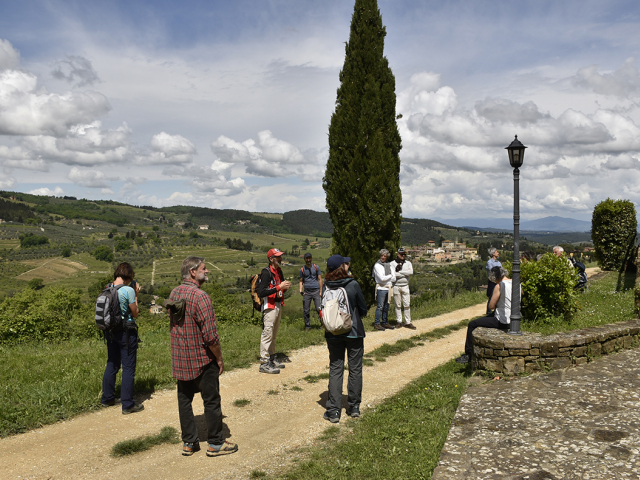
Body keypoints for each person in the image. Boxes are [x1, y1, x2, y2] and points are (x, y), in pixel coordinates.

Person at [167, 256, 238, 457]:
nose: (207, 271)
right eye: (204, 268)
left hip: (182, 359)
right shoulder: (201, 297)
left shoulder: (174, 293)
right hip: (202, 359)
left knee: (184, 401)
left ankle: (189, 443)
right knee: (212, 400)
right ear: (192, 272)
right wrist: (219, 358)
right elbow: (210, 336)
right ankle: (215, 443)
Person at [322, 254, 368, 423]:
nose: (348, 265)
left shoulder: (326, 286)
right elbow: (363, 308)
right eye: (346, 264)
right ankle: (354, 407)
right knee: (355, 368)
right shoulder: (353, 284)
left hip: (332, 333)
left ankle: (333, 410)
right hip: (353, 331)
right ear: (342, 267)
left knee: (336, 368)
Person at [101, 262, 144, 414]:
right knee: (128, 368)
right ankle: (128, 404)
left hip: (110, 331)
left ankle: (107, 398)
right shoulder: (128, 290)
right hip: (126, 332)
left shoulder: (107, 288)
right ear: (129, 275)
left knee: (112, 363)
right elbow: (135, 313)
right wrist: (136, 294)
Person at [456, 266, 516, 364]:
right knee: (487, 318)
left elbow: (491, 306)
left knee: (472, 324)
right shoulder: (516, 283)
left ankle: (468, 355)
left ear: (495, 277)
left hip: (501, 320)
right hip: (513, 319)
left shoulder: (499, 286)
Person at [257, 248, 292, 374]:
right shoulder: (266, 272)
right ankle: (264, 362)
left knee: (274, 334)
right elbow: (261, 292)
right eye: (278, 257)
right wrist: (279, 287)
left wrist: (284, 288)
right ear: (271, 259)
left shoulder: (278, 271)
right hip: (269, 306)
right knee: (267, 333)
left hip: (277, 304)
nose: (280, 259)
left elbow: (279, 288)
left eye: (280, 256)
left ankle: (271, 358)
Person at [390, 247, 415, 329]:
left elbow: (411, 272)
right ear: (398, 254)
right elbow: (393, 275)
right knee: (398, 305)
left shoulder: (408, 263)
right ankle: (399, 321)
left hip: (405, 286)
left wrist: (400, 272)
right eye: (401, 254)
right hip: (396, 286)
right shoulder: (392, 263)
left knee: (407, 304)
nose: (403, 255)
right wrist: (405, 273)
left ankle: (408, 322)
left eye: (404, 254)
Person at [372, 248, 396, 331]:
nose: (383, 257)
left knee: (386, 306)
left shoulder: (389, 265)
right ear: (380, 256)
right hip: (381, 288)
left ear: (387, 257)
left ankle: (385, 322)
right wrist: (390, 276)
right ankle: (377, 323)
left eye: (385, 256)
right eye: (382, 255)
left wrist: (390, 277)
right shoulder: (377, 265)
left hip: (388, 288)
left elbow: (394, 278)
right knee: (380, 307)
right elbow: (381, 279)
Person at [299, 252, 323, 332]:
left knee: (318, 308)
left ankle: (323, 324)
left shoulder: (316, 267)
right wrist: (300, 290)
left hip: (316, 290)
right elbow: (301, 281)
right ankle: (307, 326)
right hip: (307, 292)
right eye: (307, 258)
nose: (308, 260)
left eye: (309, 258)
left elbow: (320, 279)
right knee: (306, 310)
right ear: (304, 259)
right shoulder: (302, 269)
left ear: (311, 258)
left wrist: (320, 291)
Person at [485, 248, 502, 314]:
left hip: (498, 282)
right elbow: (492, 271)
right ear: (493, 254)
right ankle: (488, 313)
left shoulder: (499, 262)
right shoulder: (489, 262)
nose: (498, 253)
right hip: (492, 282)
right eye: (497, 252)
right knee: (491, 297)